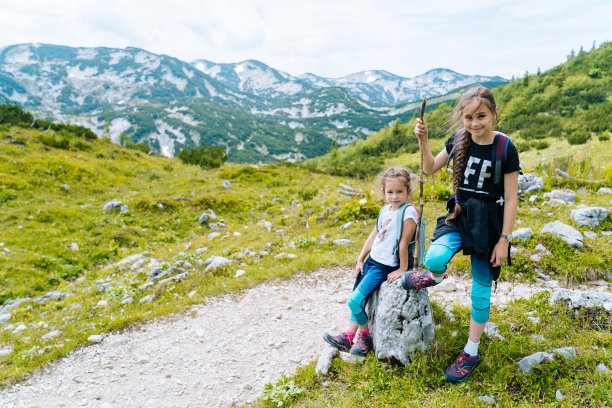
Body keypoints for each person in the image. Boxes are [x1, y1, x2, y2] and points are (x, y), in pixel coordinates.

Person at [401, 86, 520, 382]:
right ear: (462, 118)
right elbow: (429, 168)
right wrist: (424, 139)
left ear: (494, 114)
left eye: (481, 116)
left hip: (489, 226)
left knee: (480, 292)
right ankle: (437, 277)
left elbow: (512, 198)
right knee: (434, 257)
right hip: (460, 215)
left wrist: (504, 240)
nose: (475, 123)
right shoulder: (457, 140)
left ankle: (471, 351)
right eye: (468, 117)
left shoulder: (505, 147)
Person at [323, 167, 419, 356]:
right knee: (359, 299)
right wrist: (361, 258)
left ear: (408, 191)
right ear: (383, 192)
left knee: (354, 301)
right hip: (371, 261)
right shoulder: (385, 210)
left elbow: (404, 242)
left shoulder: (408, 212)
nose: (394, 196)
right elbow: (375, 235)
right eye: (390, 192)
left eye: (400, 192)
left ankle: (364, 337)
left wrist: (402, 268)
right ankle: (349, 336)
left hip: (383, 266)